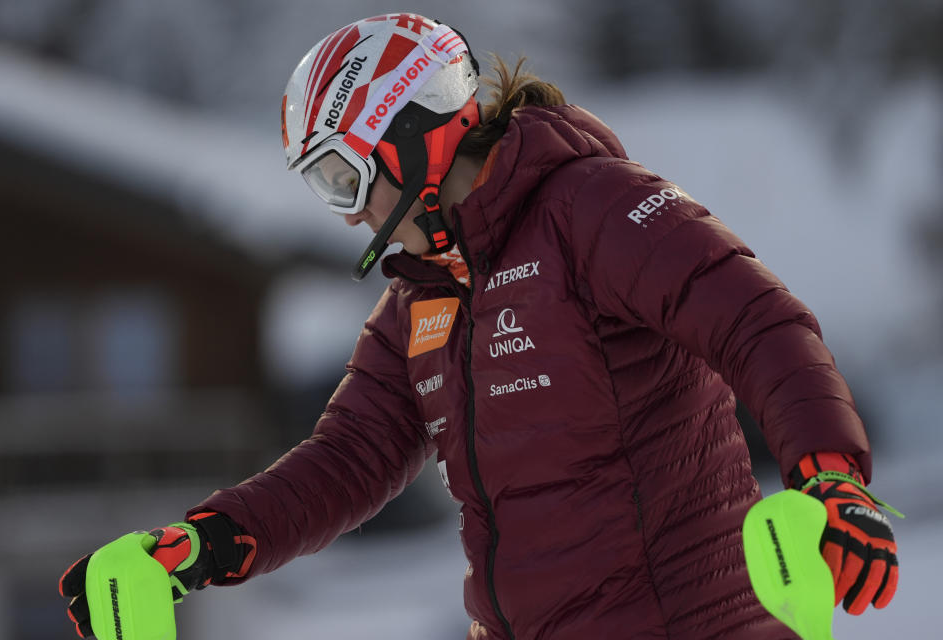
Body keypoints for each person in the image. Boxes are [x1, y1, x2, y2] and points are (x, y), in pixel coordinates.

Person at [59, 13, 900, 640]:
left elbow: (755, 319)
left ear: (410, 133)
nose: (348, 215)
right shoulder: (422, 299)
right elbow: (346, 459)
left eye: (344, 178)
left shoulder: (591, 208)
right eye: (325, 189)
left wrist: (830, 476)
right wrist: (201, 544)